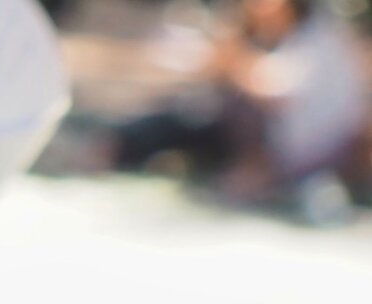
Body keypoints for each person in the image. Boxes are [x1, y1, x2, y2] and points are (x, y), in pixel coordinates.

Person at [111, 0, 368, 207]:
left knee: (240, 104)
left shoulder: (318, 39)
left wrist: (235, 62)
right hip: (283, 139)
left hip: (309, 146)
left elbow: (277, 95)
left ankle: (257, 171)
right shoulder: (269, 36)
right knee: (189, 113)